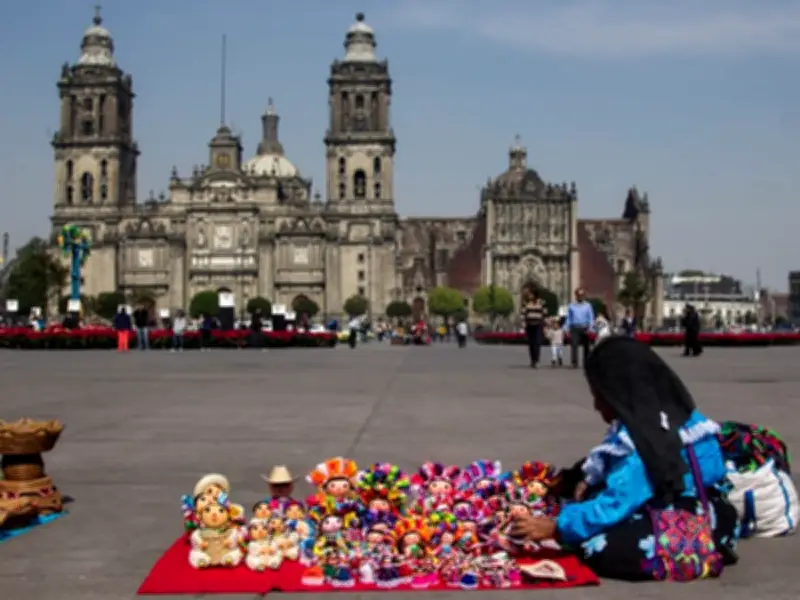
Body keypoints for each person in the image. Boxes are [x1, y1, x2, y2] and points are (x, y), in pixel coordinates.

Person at [508, 337, 739, 580]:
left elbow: (618, 501)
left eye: (600, 395)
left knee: (597, 545)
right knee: (594, 496)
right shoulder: (679, 417)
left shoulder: (647, 438)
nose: (596, 405)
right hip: (717, 515)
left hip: (684, 519)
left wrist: (557, 527)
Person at [564, 288, 594, 368]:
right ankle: (574, 362)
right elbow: (569, 318)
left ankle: (587, 362)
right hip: (575, 328)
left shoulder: (588, 306)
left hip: (585, 327)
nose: (580, 297)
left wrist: (590, 328)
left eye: (582, 295)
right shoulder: (571, 306)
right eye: (579, 295)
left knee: (586, 346)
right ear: (576, 295)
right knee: (574, 344)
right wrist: (566, 328)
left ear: (584, 296)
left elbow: (591, 318)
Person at [521, 288, 546, 368]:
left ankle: (537, 359)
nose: (529, 296)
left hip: (538, 324)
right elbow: (523, 314)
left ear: (535, 295)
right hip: (530, 325)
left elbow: (545, 313)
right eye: (529, 295)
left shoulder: (541, 302)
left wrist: (545, 324)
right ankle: (533, 359)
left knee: (537, 342)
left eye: (530, 294)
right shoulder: (526, 303)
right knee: (531, 343)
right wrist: (523, 324)